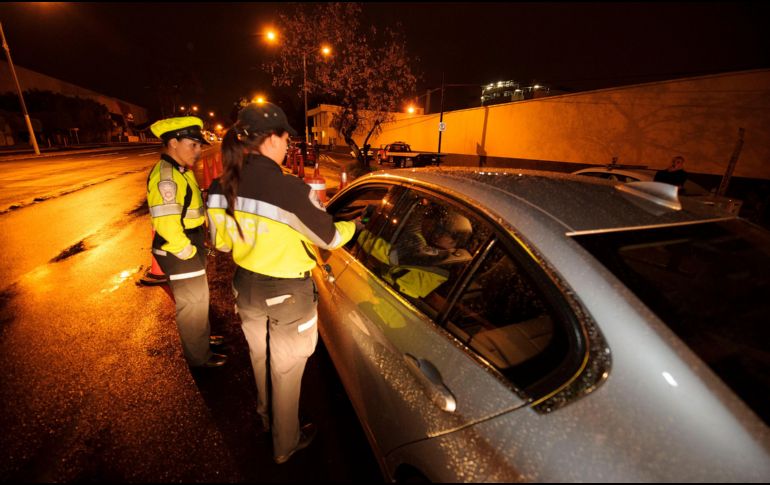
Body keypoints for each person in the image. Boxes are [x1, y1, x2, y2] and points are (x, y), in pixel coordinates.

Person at [206, 102, 359, 464]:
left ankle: (266, 418)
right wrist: (356, 226)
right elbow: (330, 238)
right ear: (271, 139)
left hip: (246, 287)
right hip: (288, 294)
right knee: (286, 370)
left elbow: (222, 244)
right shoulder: (289, 189)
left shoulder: (218, 186)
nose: (289, 144)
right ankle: (285, 443)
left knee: (260, 358)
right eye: (286, 138)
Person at [147, 116, 227, 368]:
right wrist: (187, 250)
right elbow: (166, 223)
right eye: (193, 144)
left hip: (189, 243)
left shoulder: (182, 172)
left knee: (199, 300)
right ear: (173, 143)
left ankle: (200, 340)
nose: (198, 150)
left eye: (199, 145)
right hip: (179, 248)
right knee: (192, 304)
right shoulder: (167, 178)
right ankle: (199, 358)